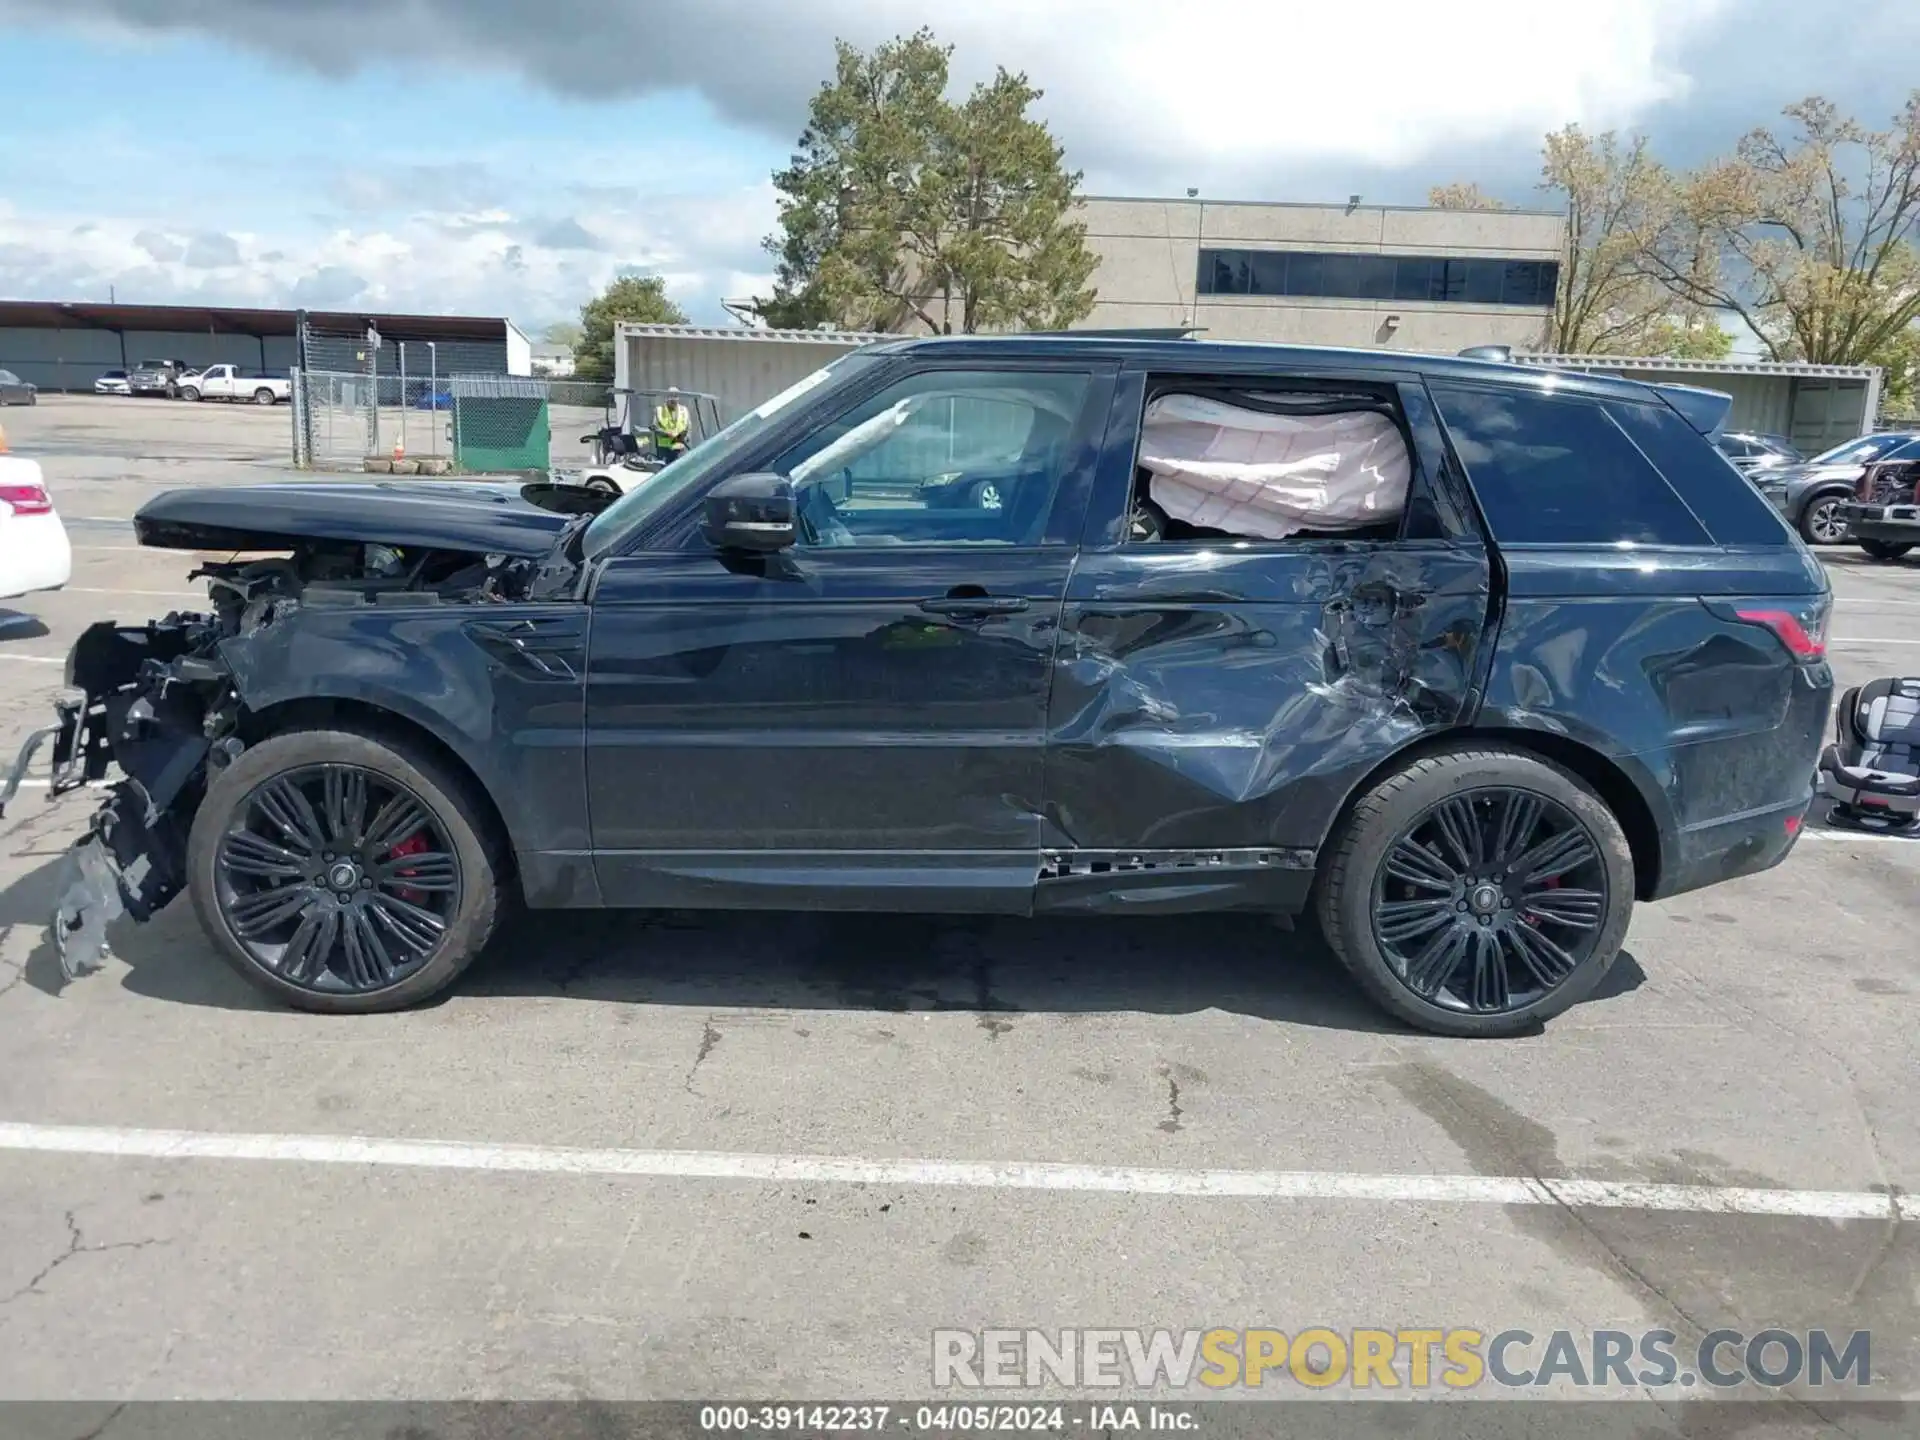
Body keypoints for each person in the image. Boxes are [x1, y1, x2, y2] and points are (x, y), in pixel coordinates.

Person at [652, 387, 692, 459]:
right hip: (664, 447)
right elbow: (654, 428)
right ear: (667, 397)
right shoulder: (660, 410)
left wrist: (686, 438)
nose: (673, 399)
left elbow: (688, 427)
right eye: (671, 396)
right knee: (666, 468)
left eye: (675, 396)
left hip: (679, 447)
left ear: (678, 398)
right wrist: (667, 433)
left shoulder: (684, 410)